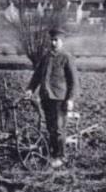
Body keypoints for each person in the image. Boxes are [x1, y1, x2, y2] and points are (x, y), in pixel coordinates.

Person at [24, 27, 79, 168]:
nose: (53, 43)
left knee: (59, 129)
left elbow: (74, 81)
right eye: (52, 40)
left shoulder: (66, 58)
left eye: (56, 40)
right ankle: (53, 153)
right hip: (46, 97)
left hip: (60, 98)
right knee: (50, 128)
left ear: (62, 42)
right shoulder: (46, 57)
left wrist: (71, 99)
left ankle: (61, 157)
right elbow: (37, 76)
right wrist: (30, 89)